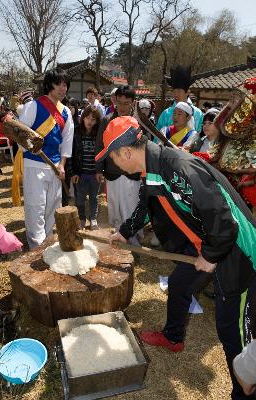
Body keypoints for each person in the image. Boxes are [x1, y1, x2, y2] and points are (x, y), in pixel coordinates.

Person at [97, 115, 256, 399]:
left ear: (126, 152)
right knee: (180, 285)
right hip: (208, 244)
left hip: (238, 254)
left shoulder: (177, 167)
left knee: (232, 331)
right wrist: (124, 232)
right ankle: (173, 337)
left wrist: (210, 255)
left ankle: (244, 391)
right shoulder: (153, 170)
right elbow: (145, 206)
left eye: (113, 158)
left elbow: (223, 219)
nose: (115, 166)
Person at [19, 68, 74, 249]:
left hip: (55, 166)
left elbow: (66, 142)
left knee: (53, 206)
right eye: (59, 83)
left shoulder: (66, 112)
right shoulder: (33, 106)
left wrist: (63, 165)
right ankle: (36, 247)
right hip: (34, 163)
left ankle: (49, 243)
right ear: (49, 84)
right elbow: (21, 137)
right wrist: (32, 147)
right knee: (36, 206)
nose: (63, 88)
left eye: (65, 84)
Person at [95, 86, 143, 246]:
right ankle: (118, 242)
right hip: (112, 171)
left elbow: (145, 147)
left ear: (133, 103)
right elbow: (99, 146)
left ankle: (134, 244)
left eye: (126, 103)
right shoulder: (107, 120)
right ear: (115, 101)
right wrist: (98, 169)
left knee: (131, 209)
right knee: (115, 209)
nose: (122, 107)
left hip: (133, 173)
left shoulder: (139, 122)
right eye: (119, 103)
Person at [66, 106, 101, 230]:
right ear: (82, 118)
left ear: (97, 121)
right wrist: (72, 173)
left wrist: (100, 171)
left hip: (94, 173)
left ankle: (93, 218)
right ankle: (81, 218)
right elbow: (70, 155)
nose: (90, 121)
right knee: (79, 198)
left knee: (94, 198)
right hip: (80, 173)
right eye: (87, 118)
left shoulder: (98, 134)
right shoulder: (76, 132)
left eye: (93, 119)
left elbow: (103, 154)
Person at [157, 65, 203, 134]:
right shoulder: (166, 113)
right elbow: (157, 136)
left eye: (179, 91)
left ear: (187, 92)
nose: (176, 94)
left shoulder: (198, 113)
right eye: (174, 91)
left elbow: (199, 136)